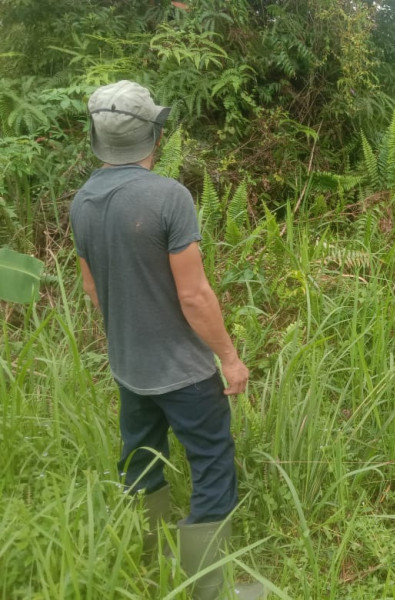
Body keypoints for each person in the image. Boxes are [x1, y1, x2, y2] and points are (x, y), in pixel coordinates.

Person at [70, 80, 262, 600]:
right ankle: (209, 589)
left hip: (129, 367)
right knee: (213, 465)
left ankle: (152, 559)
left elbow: (93, 288)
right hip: (186, 372)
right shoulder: (169, 197)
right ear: (154, 135)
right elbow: (195, 295)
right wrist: (230, 358)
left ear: (97, 137)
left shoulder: (82, 201)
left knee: (141, 458)